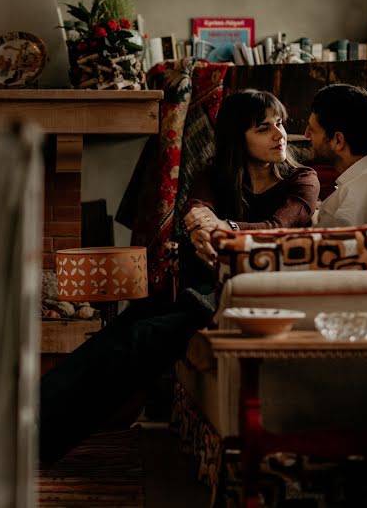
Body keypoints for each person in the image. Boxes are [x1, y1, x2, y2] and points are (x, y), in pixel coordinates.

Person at [39, 89, 319, 464]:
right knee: (113, 335)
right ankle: (25, 420)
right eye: (264, 128)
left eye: (280, 124)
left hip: (241, 298)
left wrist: (222, 228)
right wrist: (204, 229)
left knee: (139, 339)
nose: (280, 134)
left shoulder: (302, 180)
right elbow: (196, 210)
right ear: (238, 137)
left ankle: (43, 442)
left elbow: (277, 226)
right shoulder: (214, 173)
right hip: (196, 288)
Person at [304, 84, 367, 227]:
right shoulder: (362, 180)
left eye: (312, 130)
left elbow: (336, 244)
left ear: (338, 141)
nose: (306, 134)